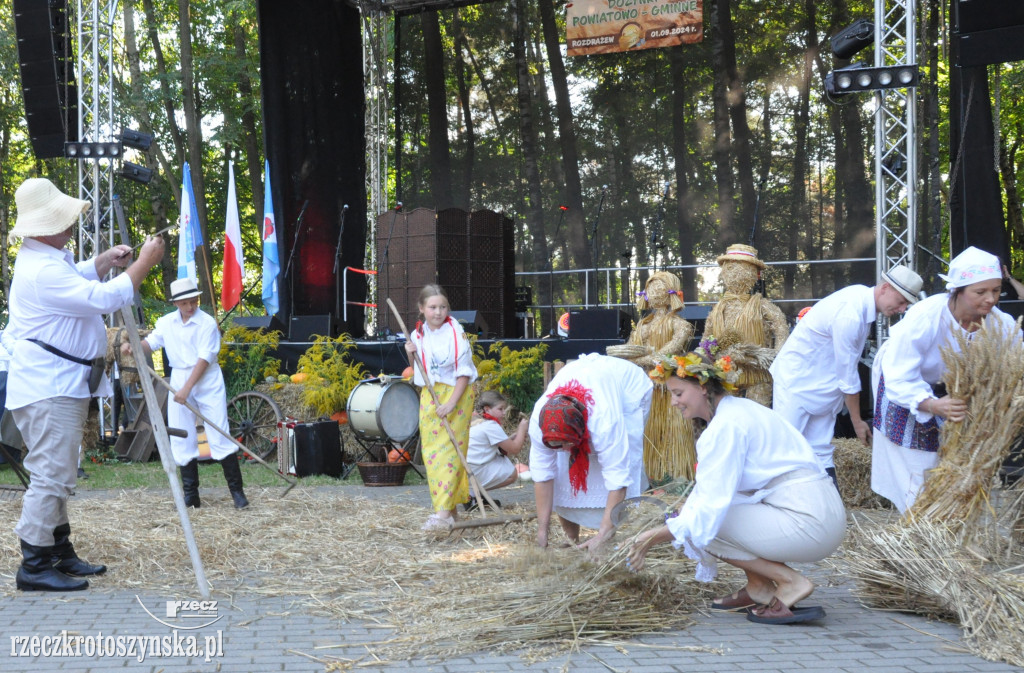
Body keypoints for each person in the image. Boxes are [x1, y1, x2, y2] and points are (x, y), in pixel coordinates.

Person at [6, 177, 165, 592]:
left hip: (57, 384)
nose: (71, 225)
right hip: (50, 387)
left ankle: (58, 553)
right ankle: (35, 563)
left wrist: (103, 262)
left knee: (57, 471)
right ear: (45, 225)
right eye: (64, 219)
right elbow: (100, 300)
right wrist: (142, 263)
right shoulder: (42, 269)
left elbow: (78, 280)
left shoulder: (46, 257)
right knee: (50, 475)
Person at [626, 345, 846, 625]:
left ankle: (789, 582)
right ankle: (759, 588)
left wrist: (651, 537)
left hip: (809, 520)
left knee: (703, 525)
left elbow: (708, 510)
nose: (673, 402)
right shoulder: (740, 411)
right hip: (818, 512)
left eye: (678, 393)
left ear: (703, 387)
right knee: (700, 516)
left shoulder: (726, 426)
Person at [871, 246, 1019, 513]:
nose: (990, 299)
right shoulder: (926, 317)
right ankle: (918, 525)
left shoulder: (1001, 324)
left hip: (949, 391)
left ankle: (940, 521)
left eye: (996, 291)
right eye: (980, 292)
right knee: (916, 463)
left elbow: (1016, 361)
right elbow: (900, 374)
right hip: (904, 382)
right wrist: (931, 404)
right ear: (957, 291)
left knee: (949, 460)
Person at [770, 266, 923, 487]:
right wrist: (857, 421)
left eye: (906, 305)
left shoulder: (861, 298)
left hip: (824, 385)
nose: (901, 309)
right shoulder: (851, 312)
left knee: (820, 449)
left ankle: (830, 510)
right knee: (783, 448)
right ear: (886, 288)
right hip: (796, 382)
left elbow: (844, 371)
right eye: (900, 301)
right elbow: (848, 374)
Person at [123, 278, 248, 510]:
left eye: (194, 301)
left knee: (219, 432)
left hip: (207, 379)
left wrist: (187, 389)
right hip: (180, 375)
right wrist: (133, 346)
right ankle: (191, 497)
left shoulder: (207, 323)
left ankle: (238, 494)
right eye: (186, 303)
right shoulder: (167, 322)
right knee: (182, 437)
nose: (191, 307)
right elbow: (152, 342)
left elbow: (204, 359)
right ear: (176, 303)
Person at [529, 353, 653, 550]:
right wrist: (542, 532)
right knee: (562, 469)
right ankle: (571, 538)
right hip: (588, 381)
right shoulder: (538, 424)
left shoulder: (605, 423)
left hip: (629, 388)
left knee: (614, 460)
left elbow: (618, 479)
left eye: (566, 444)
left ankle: (606, 536)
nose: (563, 450)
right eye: (556, 445)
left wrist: (602, 535)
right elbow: (542, 476)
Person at [404, 284, 478, 531]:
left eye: (443, 306)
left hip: (456, 395)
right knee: (433, 453)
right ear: (422, 308)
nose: (438, 312)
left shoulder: (456, 334)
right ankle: (452, 512)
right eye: (433, 307)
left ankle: (442, 513)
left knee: (450, 452)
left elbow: (464, 374)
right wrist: (410, 354)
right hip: (430, 395)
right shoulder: (417, 335)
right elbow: (418, 372)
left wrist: (451, 403)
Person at [611, 271, 696, 481]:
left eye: (659, 288)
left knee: (673, 429)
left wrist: (640, 359)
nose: (654, 292)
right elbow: (630, 349)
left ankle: (677, 474)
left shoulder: (679, 324)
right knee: (647, 429)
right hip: (644, 387)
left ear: (670, 293)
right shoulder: (642, 325)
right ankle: (650, 474)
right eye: (651, 288)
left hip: (669, 386)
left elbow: (668, 352)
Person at [704, 244, 789, 406]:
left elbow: (780, 327)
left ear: (754, 274)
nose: (735, 272)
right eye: (730, 267)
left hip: (757, 370)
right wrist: (704, 357)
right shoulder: (718, 309)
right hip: (726, 371)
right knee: (728, 411)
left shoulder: (760, 305)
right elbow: (707, 338)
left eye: (742, 267)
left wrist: (776, 356)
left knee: (758, 411)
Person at [465, 390, 529, 510]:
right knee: (511, 473)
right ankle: (472, 493)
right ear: (487, 409)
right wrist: (522, 429)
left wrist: (511, 438)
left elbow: (495, 446)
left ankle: (474, 494)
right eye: (500, 409)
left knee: (501, 459)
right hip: (474, 471)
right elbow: (514, 449)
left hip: (466, 470)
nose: (504, 412)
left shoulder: (476, 420)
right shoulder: (490, 425)